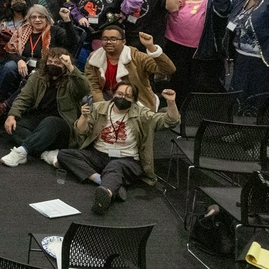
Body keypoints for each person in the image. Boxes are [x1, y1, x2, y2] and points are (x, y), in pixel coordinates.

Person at [58, 84, 180, 215]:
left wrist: (171, 102)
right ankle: (103, 180)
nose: (122, 98)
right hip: (98, 155)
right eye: (120, 94)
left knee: (115, 166)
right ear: (114, 94)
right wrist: (84, 116)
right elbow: (81, 131)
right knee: (64, 155)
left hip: (126, 160)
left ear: (134, 100)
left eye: (128, 96)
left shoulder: (142, 114)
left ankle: (106, 194)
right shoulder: (99, 108)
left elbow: (170, 121)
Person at [0, 46, 90, 167]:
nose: (53, 65)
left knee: (50, 122)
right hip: (39, 118)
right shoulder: (38, 76)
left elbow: (85, 88)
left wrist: (71, 67)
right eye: (50, 61)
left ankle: (22, 152)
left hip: (63, 124)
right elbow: (24, 97)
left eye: (57, 63)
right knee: (14, 125)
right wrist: (12, 115)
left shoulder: (72, 81)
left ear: (65, 65)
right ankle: (45, 153)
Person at [163, 0, 238, 98]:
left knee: (201, 86)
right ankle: (175, 108)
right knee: (177, 81)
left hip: (204, 46)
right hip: (174, 41)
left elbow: (230, 9)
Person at [83, 26, 174, 110]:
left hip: (136, 101)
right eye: (105, 39)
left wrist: (151, 47)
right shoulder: (94, 58)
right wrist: (103, 107)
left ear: (124, 42)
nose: (109, 42)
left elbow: (168, 69)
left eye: (113, 39)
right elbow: (93, 86)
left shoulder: (137, 57)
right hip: (107, 98)